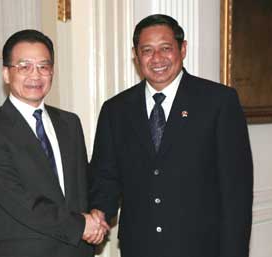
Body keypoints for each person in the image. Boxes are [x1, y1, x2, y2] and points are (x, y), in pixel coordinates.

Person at [89, 14, 253, 257]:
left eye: (166, 48)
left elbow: (236, 193)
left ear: (182, 49)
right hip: (139, 247)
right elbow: (105, 176)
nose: (157, 59)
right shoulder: (116, 110)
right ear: (136, 55)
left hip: (202, 247)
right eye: (147, 50)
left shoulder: (218, 102)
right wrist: (99, 213)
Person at [0, 29, 108, 257]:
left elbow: (83, 185)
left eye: (43, 66)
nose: (35, 75)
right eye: (24, 67)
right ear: (6, 74)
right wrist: (80, 226)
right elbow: (19, 202)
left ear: (52, 71)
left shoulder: (69, 123)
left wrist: (98, 213)